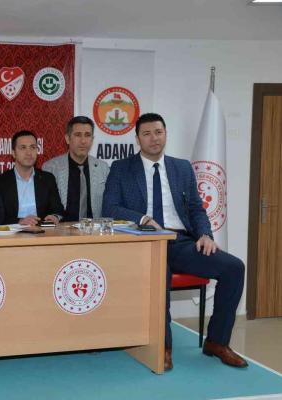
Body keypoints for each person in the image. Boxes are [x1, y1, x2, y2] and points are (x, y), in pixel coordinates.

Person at [102, 112, 247, 371]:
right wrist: (144, 219)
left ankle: (217, 342)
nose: (154, 138)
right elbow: (110, 207)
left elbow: (196, 208)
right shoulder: (121, 168)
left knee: (234, 268)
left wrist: (205, 235)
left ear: (165, 134)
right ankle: (163, 348)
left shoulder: (182, 167)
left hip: (181, 241)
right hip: (146, 243)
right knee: (160, 277)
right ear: (137, 139)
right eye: (147, 134)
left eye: (158, 132)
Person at [43, 116, 109, 221]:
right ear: (67, 139)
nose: (83, 141)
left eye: (87, 135)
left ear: (92, 140)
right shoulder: (51, 168)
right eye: (78, 135)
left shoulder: (103, 168)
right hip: (62, 229)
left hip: (94, 229)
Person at [0, 130, 64, 226]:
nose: (29, 153)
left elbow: (58, 209)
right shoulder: (0, 182)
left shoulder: (48, 179)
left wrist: (55, 216)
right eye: (23, 148)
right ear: (13, 153)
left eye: (33, 147)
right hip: (13, 233)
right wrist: (19, 222)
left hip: (43, 231)